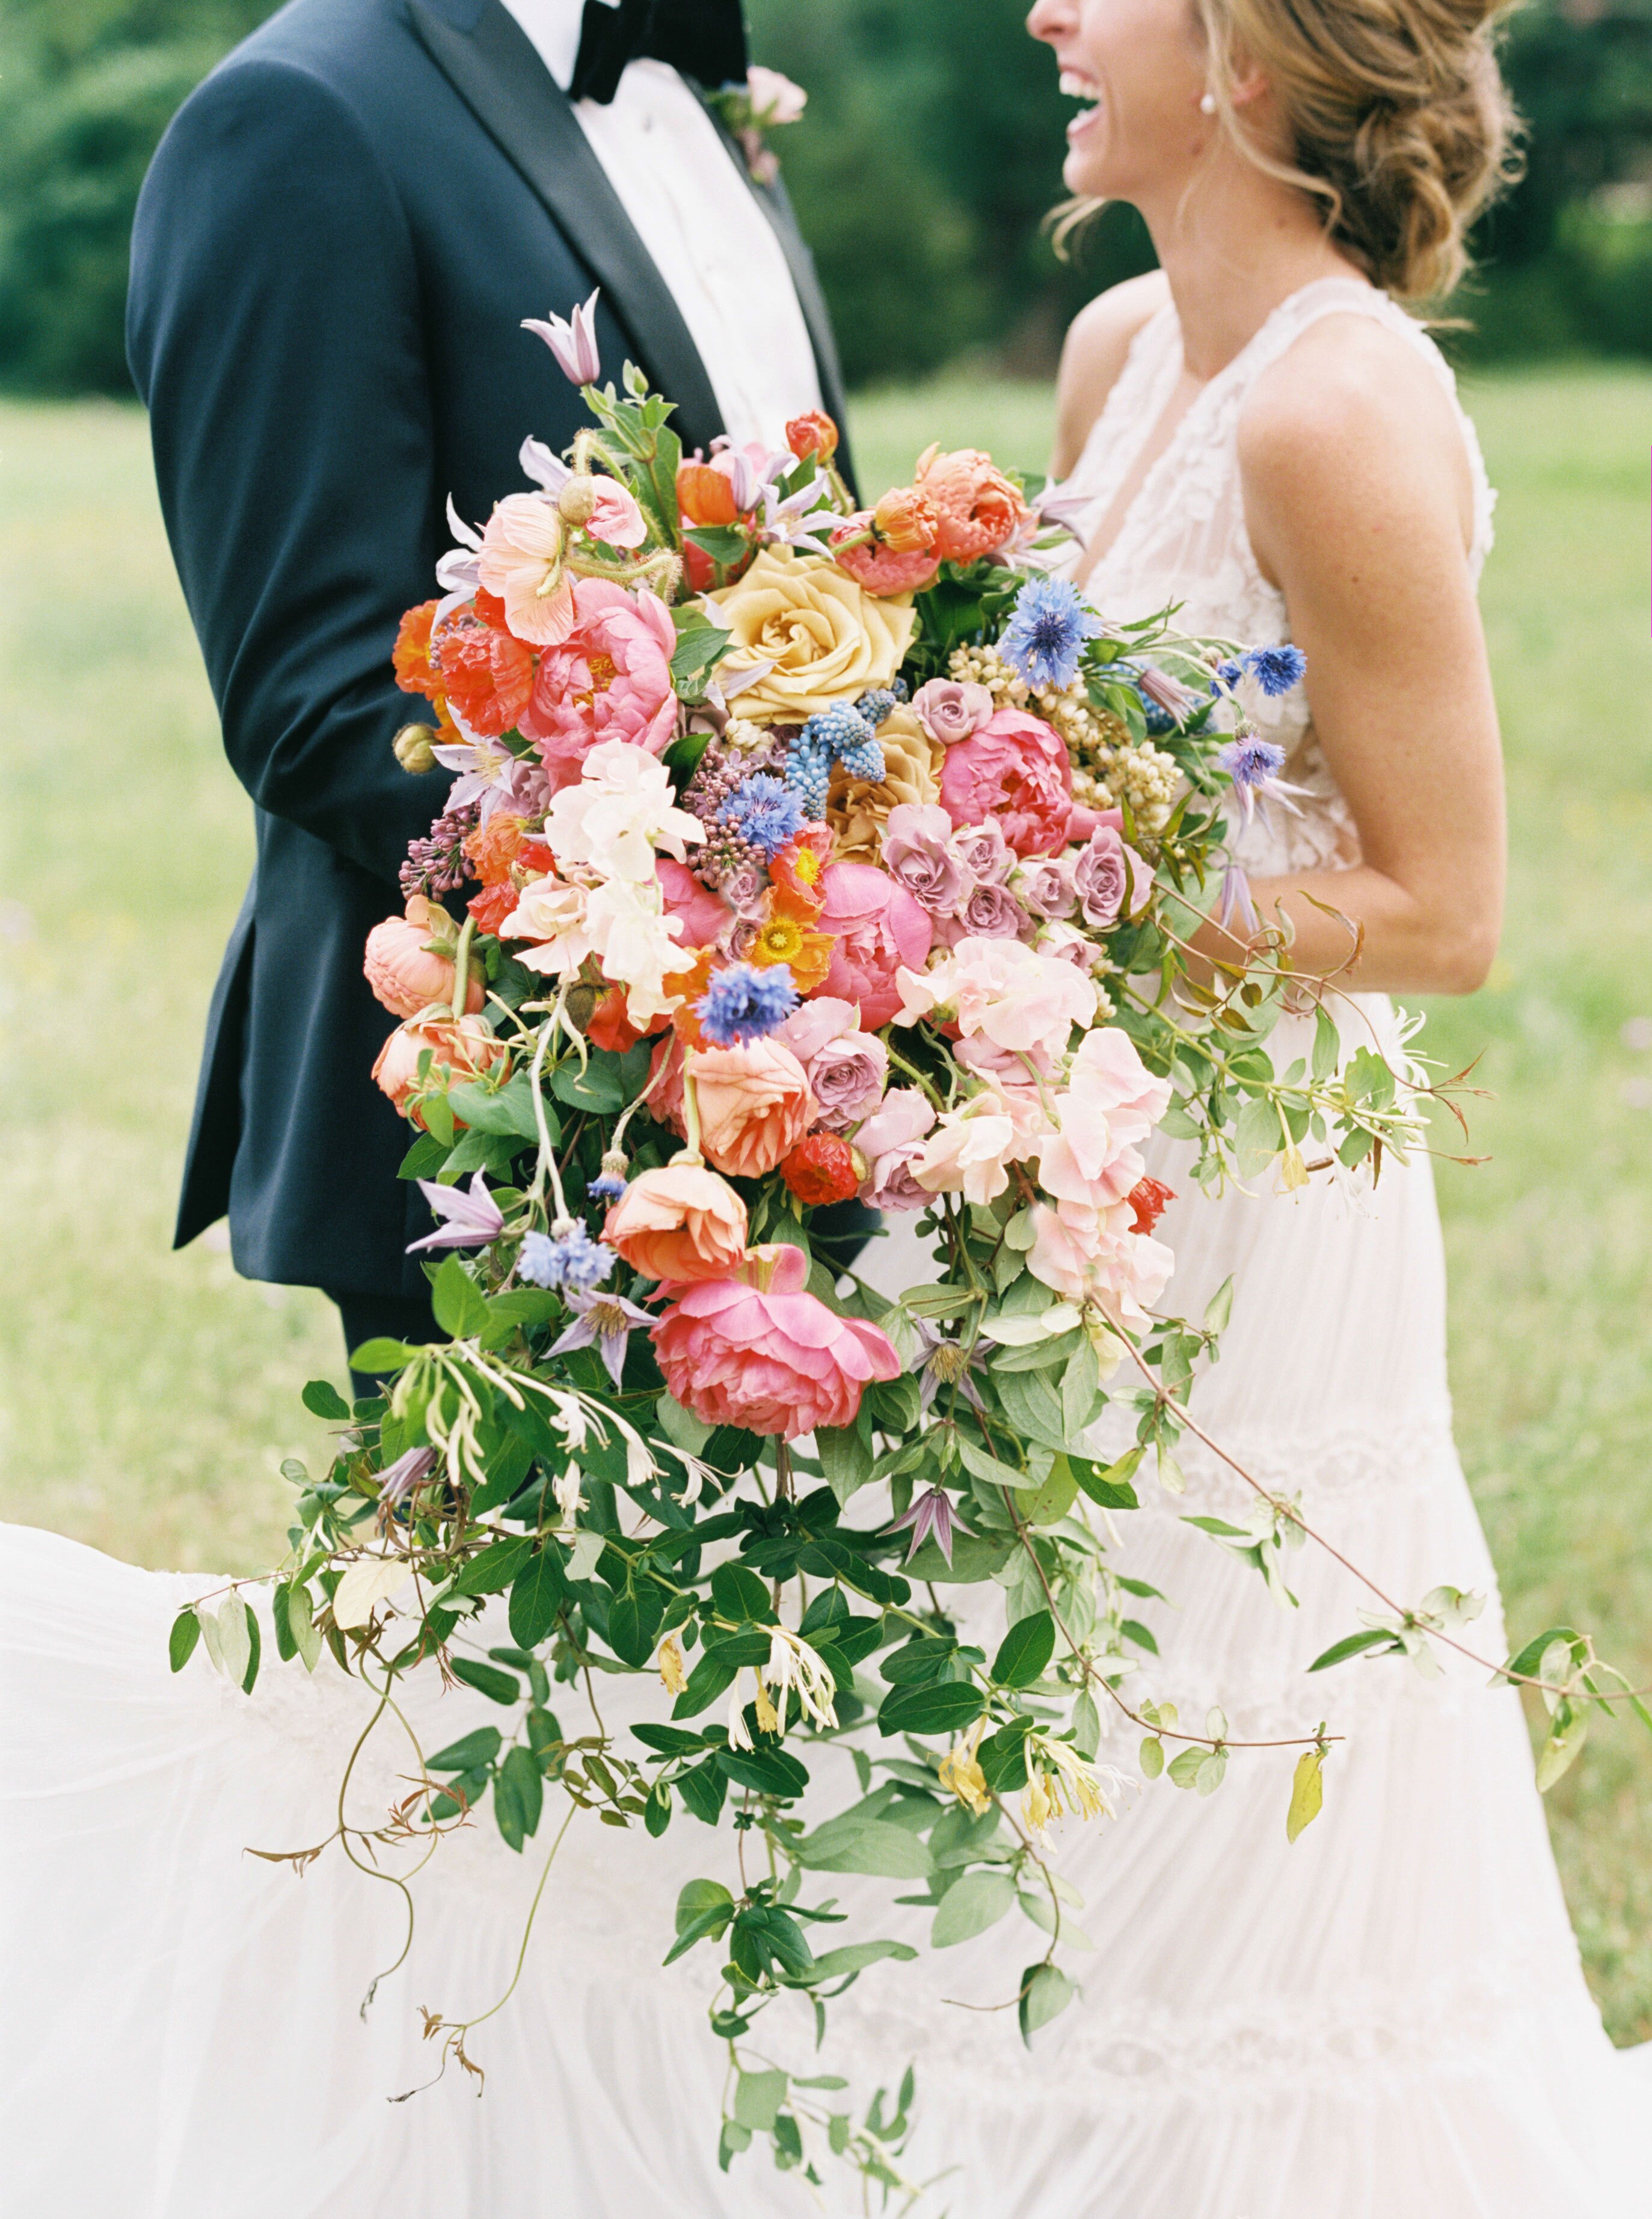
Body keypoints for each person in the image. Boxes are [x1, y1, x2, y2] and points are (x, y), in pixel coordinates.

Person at [835, 0, 1652, 2208]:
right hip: (1055, 1150)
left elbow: (1442, 907)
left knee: (1218, 1675)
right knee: (1030, 1677)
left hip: (1254, 1179)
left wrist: (1035, 909)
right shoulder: (1116, 355)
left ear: (1246, 63)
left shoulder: (1335, 411)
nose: (1042, 19)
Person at [126, 0, 853, 1377]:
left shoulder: (704, 104)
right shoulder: (294, 118)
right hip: (509, 1133)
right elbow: (321, 700)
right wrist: (684, 930)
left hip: (810, 1095)